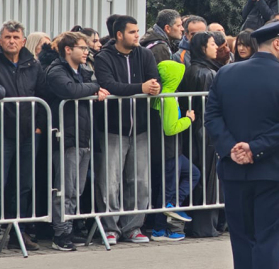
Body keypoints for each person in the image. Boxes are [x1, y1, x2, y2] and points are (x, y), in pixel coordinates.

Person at [205, 20, 279, 269]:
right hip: (272, 170)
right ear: (276, 43)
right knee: (268, 240)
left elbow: (212, 117)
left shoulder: (226, 73)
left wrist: (233, 148)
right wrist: (256, 148)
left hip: (234, 170)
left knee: (242, 239)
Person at [93, 15, 161, 245]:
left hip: (140, 128)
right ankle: (110, 228)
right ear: (119, 34)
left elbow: (155, 78)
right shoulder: (103, 57)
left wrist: (154, 86)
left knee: (140, 181)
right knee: (110, 182)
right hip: (113, 128)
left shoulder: (145, 54)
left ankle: (134, 227)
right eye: (132, 32)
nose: (137, 35)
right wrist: (140, 88)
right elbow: (109, 85)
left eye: (138, 31)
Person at [45, 32, 109, 251]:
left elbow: (95, 84)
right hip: (66, 137)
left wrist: (92, 87)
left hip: (84, 137)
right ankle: (60, 233)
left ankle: (70, 227)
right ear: (68, 49)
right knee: (65, 188)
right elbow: (69, 90)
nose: (86, 52)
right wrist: (92, 88)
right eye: (82, 47)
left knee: (77, 189)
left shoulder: (84, 71)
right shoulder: (56, 70)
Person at [0, 21, 43, 251]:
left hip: (28, 133)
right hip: (1, 132)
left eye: (16, 37)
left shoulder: (33, 64)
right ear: (0, 39)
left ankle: (18, 231)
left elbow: (43, 95)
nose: (11, 41)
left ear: (23, 41)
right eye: (7, 37)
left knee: (23, 185)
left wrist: (39, 126)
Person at [148, 60, 200, 242]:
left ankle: (173, 206)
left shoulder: (162, 95)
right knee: (167, 190)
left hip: (168, 150)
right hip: (169, 150)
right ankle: (159, 230)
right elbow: (170, 128)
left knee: (193, 174)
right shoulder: (168, 98)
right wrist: (188, 119)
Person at [180, 31, 223, 238]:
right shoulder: (206, 73)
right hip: (205, 135)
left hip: (194, 133)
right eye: (212, 44)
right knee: (208, 180)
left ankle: (199, 225)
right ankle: (205, 226)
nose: (216, 47)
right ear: (202, 48)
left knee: (201, 180)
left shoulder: (193, 70)